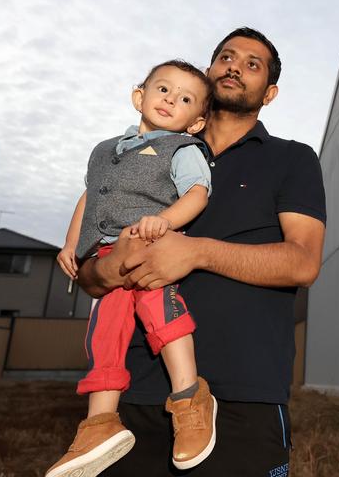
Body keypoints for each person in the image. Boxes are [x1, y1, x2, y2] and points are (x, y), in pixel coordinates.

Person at [78, 27, 326, 477]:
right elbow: (88, 277)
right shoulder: (138, 156)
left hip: (243, 392)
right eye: (226, 57)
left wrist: (196, 252)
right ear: (210, 72)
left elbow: (304, 262)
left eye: (252, 64)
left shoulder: (292, 159)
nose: (235, 66)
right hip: (134, 393)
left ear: (268, 93)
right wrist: (112, 266)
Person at [46, 60, 219, 477]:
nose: (170, 100)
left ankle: (190, 397)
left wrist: (167, 221)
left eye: (184, 99)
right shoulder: (105, 151)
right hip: (105, 257)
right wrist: (71, 243)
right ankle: (100, 424)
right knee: (104, 333)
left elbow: (198, 193)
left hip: (150, 247)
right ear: (138, 96)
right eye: (163, 90)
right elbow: (90, 199)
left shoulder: (182, 149)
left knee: (162, 314)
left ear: (195, 123)